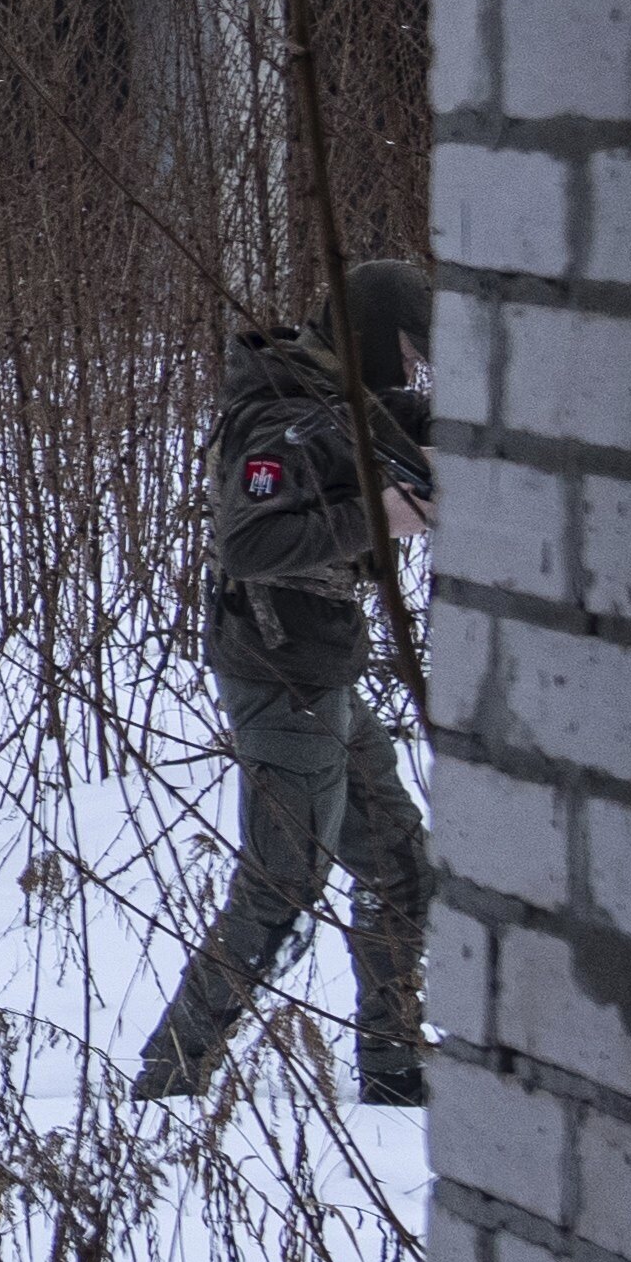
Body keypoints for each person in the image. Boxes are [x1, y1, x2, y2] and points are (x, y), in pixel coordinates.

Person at [132, 253, 440, 1105]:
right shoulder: (285, 418)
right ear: (374, 339)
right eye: (409, 351)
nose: (413, 371)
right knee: (282, 891)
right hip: (282, 674)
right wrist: (383, 517)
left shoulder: (341, 401)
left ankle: (392, 1064)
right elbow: (250, 545)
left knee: (398, 864)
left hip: (322, 669)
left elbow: (400, 419)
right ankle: (169, 1080)